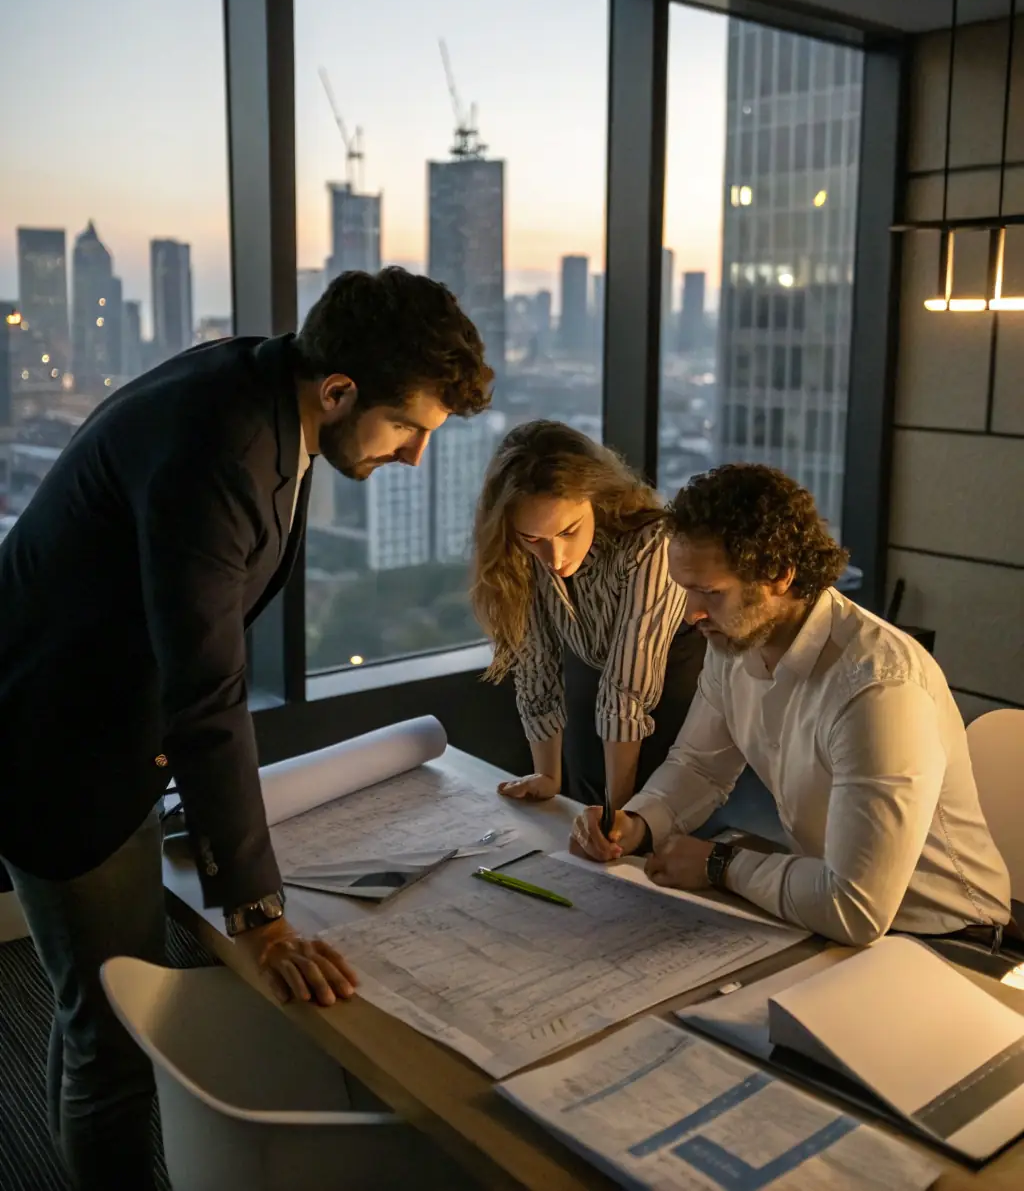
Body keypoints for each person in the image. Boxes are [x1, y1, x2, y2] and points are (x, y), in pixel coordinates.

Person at [0, 266, 492, 1191]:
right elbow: (207, 690)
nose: (418, 457)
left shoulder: (263, 386)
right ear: (340, 390)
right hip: (55, 746)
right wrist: (261, 919)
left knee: (88, 1005)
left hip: (103, 709)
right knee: (115, 1024)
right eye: (410, 427)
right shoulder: (221, 449)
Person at [571, 463, 1011, 948]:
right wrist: (636, 824)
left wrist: (719, 865)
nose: (691, 614)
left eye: (711, 593)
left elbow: (855, 908)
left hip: (950, 943)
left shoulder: (879, 688)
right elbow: (699, 768)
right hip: (828, 917)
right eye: (685, 589)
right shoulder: (734, 643)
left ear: (779, 574)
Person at [471, 420, 706, 808]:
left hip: (673, 705)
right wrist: (548, 776)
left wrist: (618, 817)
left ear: (595, 497)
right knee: (579, 813)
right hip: (594, 696)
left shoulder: (651, 542)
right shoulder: (521, 553)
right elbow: (536, 664)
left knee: (647, 836)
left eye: (568, 532)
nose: (555, 559)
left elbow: (626, 690)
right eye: (534, 539)